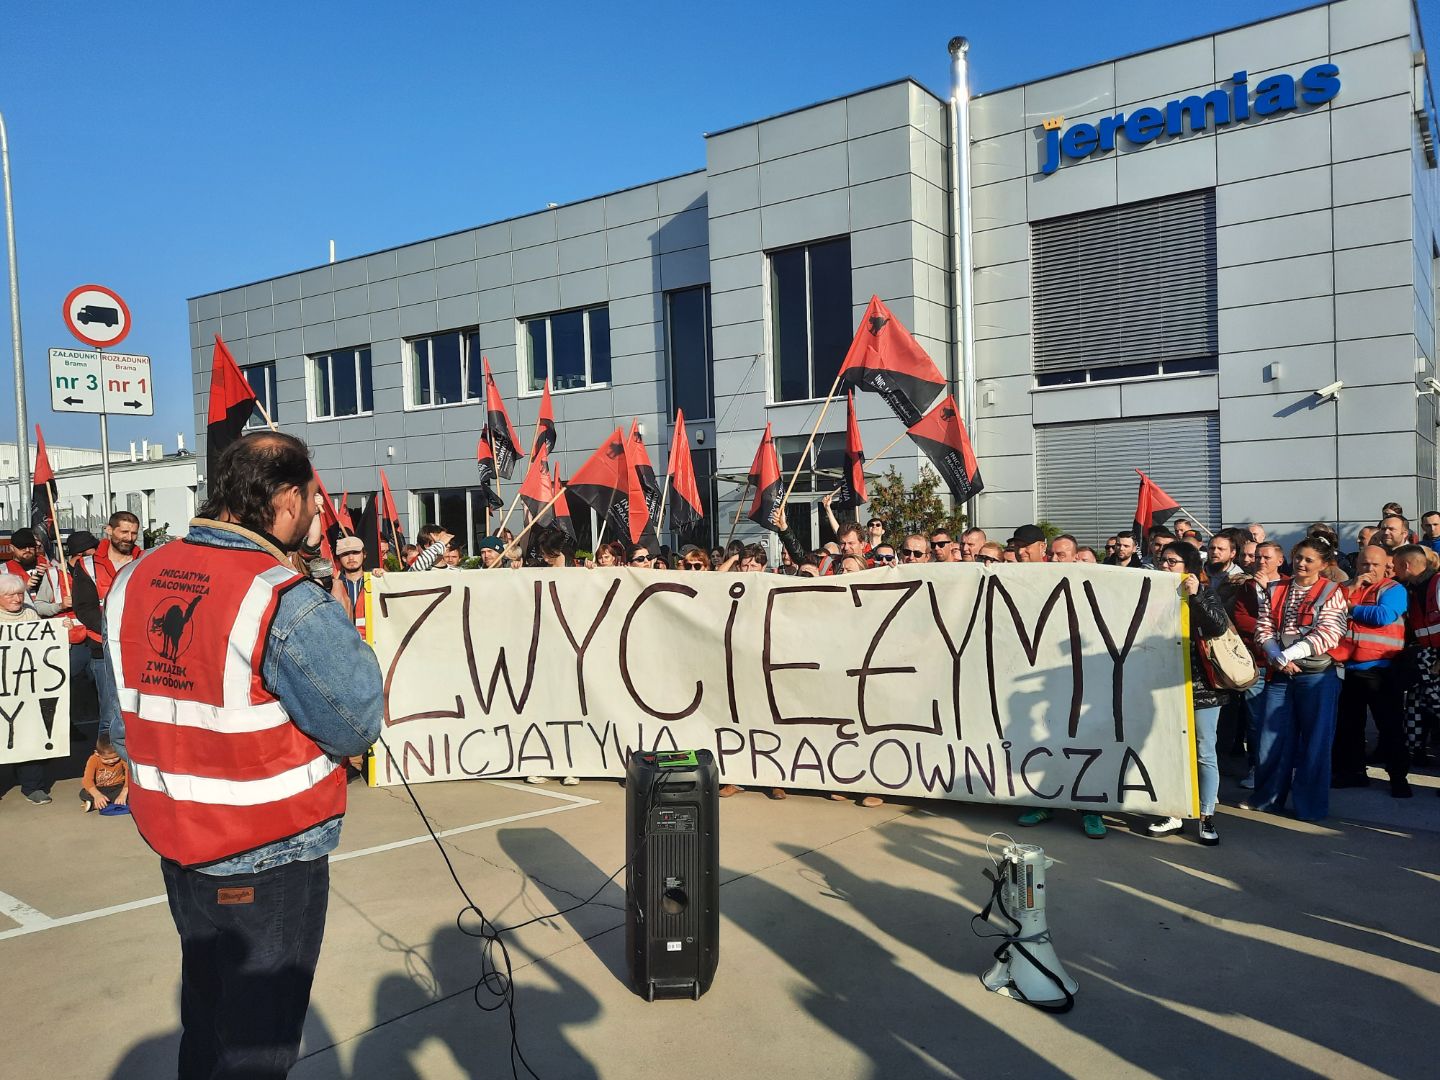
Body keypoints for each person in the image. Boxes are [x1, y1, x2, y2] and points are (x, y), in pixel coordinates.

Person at [102, 431, 383, 1078]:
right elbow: (357, 723)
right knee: (256, 1048)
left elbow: (124, 726)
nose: (318, 513)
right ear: (285, 498)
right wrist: (334, 620)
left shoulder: (136, 577)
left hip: (177, 847)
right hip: (269, 857)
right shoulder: (283, 598)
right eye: (313, 497)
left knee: (206, 1024)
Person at [1251, 535, 1348, 821]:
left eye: (1309, 560)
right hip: (1281, 672)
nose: (1301, 564)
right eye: (1299, 558)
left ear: (1323, 564)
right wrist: (1274, 655)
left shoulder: (1332, 591)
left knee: (1315, 742)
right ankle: (1267, 799)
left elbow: (1329, 632)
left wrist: (1289, 655)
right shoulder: (1275, 588)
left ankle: (1310, 808)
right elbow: (1264, 627)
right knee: (1271, 738)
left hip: (1317, 674)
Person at [1147, 542, 1232, 845]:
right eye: (1162, 560)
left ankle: (1206, 816)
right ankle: (1174, 812)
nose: (1166, 566)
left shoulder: (1204, 592)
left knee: (1204, 751)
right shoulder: (1151, 592)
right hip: (1161, 684)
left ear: (1190, 565)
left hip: (1202, 688)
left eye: (1173, 561)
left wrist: (1194, 597)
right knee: (1170, 751)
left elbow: (1217, 626)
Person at [1332, 545, 1409, 796]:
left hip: (1381, 670)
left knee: (1390, 727)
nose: (1369, 569)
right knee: (1349, 727)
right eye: (1365, 564)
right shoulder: (1347, 590)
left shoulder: (1393, 589)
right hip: (1350, 668)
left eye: (1375, 564)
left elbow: (1383, 616)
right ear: (1357, 565)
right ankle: (1353, 773)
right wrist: (1351, 593)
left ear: (1386, 566)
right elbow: (1330, 613)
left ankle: (1398, 777)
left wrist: (1351, 609)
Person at [0, 573, 54, 804]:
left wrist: (62, 628)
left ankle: (33, 786)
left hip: (27, 690)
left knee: (29, 736)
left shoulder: (31, 614)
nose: (16, 598)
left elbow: (46, 644)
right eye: (9, 594)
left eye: (20, 594)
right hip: (4, 689)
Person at [3, 527, 66, 616]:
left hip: (50, 616)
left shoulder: (50, 563)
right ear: (12, 548)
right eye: (22, 547)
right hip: (20, 617)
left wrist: (52, 572)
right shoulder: (4, 570)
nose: (28, 550)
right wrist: (25, 587)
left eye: (31, 546)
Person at [80, 734, 130, 813]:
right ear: (97, 753)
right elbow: (87, 780)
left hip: (118, 787)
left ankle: (97, 805)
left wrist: (124, 792)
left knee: (131, 793)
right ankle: (108, 802)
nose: (111, 761)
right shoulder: (93, 759)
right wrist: (97, 795)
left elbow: (129, 774)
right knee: (83, 793)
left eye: (115, 757)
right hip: (100, 788)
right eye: (106, 759)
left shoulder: (122, 757)